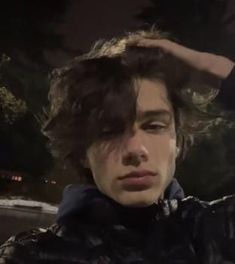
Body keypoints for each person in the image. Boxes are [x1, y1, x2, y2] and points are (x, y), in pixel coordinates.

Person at [0, 30, 235, 264]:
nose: (136, 149)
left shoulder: (213, 232)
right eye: (108, 131)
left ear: (178, 140)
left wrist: (211, 66)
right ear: (82, 153)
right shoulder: (35, 256)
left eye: (154, 126)